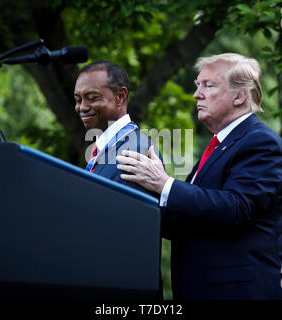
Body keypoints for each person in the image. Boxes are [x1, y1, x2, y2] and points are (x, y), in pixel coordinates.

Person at [116, 53, 282, 300]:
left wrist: (164, 183)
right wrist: (135, 199)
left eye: (208, 85)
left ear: (240, 96)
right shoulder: (219, 147)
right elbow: (190, 219)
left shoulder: (261, 142)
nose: (197, 94)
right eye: (197, 85)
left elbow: (237, 208)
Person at [74, 60, 164, 299]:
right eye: (78, 99)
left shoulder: (133, 150)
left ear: (120, 97)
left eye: (91, 97)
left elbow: (126, 240)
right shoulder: (103, 151)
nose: (81, 107)